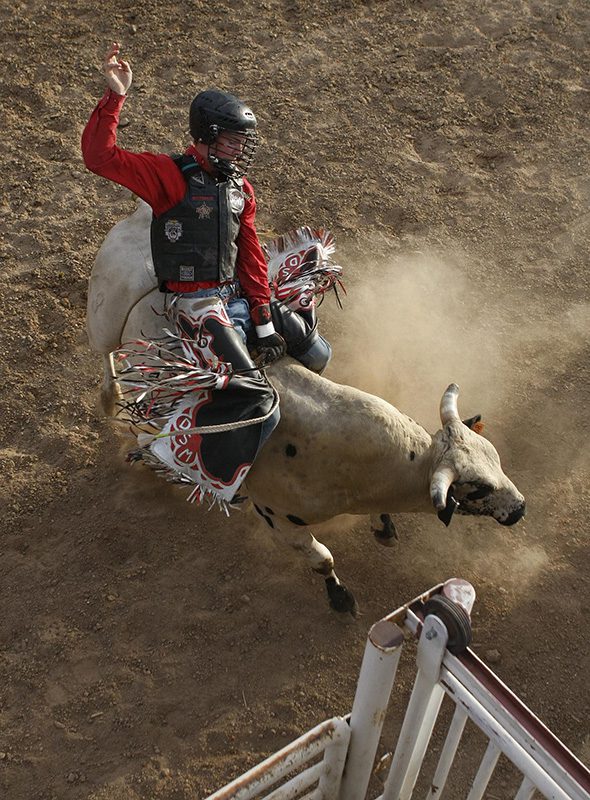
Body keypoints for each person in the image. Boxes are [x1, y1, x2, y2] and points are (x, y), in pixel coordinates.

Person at [82, 42, 287, 366]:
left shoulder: (240, 187)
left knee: (313, 347)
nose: (240, 150)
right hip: (194, 304)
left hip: (234, 294)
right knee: (249, 389)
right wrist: (115, 98)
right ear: (208, 135)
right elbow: (100, 157)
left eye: (243, 142)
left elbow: (249, 254)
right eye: (233, 141)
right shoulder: (168, 175)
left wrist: (263, 320)